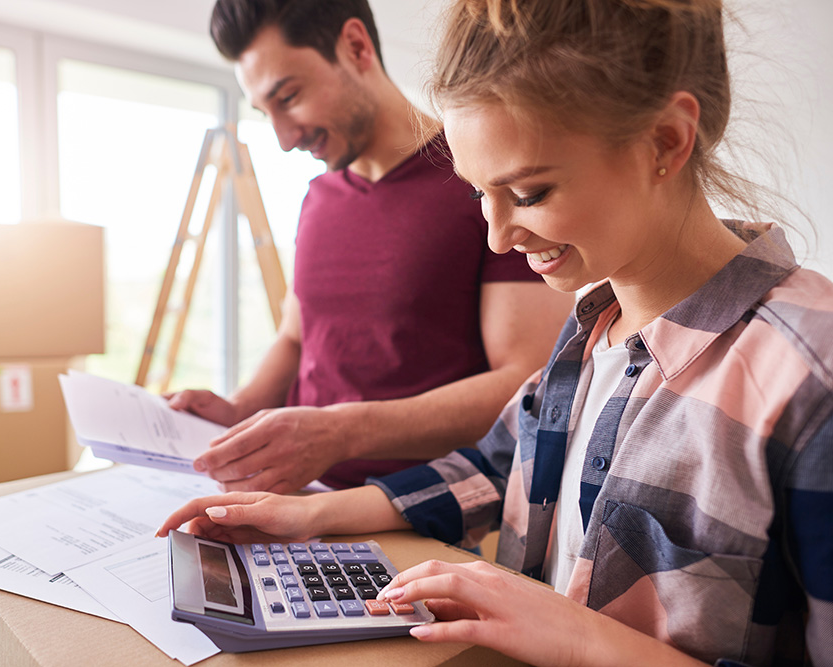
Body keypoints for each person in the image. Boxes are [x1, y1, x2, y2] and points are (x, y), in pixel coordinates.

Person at [158, 0, 833, 664]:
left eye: (530, 193)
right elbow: (495, 466)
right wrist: (311, 517)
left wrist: (571, 635)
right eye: (480, 192)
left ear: (665, 141)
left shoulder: (810, 378)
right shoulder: (591, 331)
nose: (499, 235)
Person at [167, 0, 573, 493]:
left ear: (356, 46)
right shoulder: (318, 197)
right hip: (295, 496)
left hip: (419, 510)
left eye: (289, 97)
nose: (283, 138)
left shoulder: (482, 181)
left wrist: (341, 433)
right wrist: (237, 408)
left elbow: (526, 383)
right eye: (266, 112)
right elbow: (297, 339)